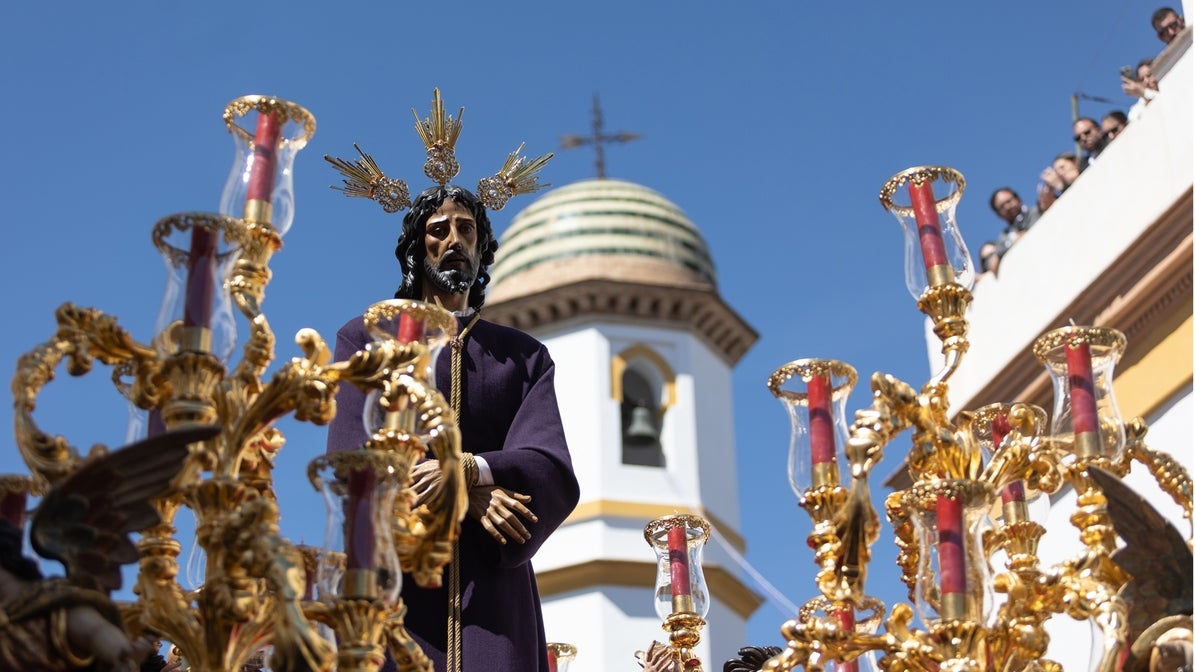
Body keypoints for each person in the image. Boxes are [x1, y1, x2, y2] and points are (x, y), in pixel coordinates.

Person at [326, 184, 581, 672]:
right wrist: (465, 491)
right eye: (438, 231)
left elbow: (548, 463)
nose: (454, 240)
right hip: (397, 580)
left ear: (482, 247)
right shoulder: (368, 338)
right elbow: (354, 458)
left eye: (466, 230)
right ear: (416, 248)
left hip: (494, 593)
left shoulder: (522, 357)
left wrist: (471, 469)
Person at [987, 187, 1041, 272]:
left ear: (1019, 199)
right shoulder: (1004, 235)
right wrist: (1012, 241)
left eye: (1009, 201)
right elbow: (993, 262)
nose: (1007, 207)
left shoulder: (1036, 211)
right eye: (1002, 207)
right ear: (998, 215)